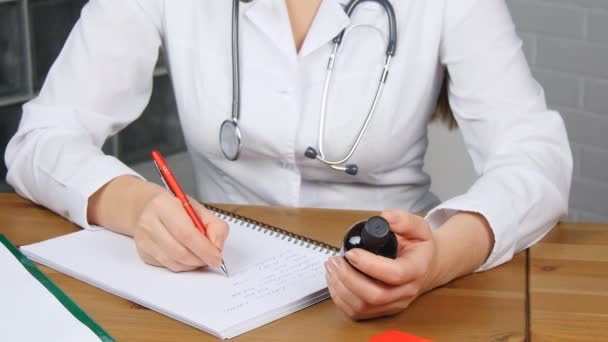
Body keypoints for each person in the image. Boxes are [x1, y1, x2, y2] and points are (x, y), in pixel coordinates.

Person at [5, 0, 572, 320]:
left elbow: (535, 158)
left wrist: (442, 255)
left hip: (402, 292)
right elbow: (41, 138)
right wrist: (138, 206)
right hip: (216, 290)